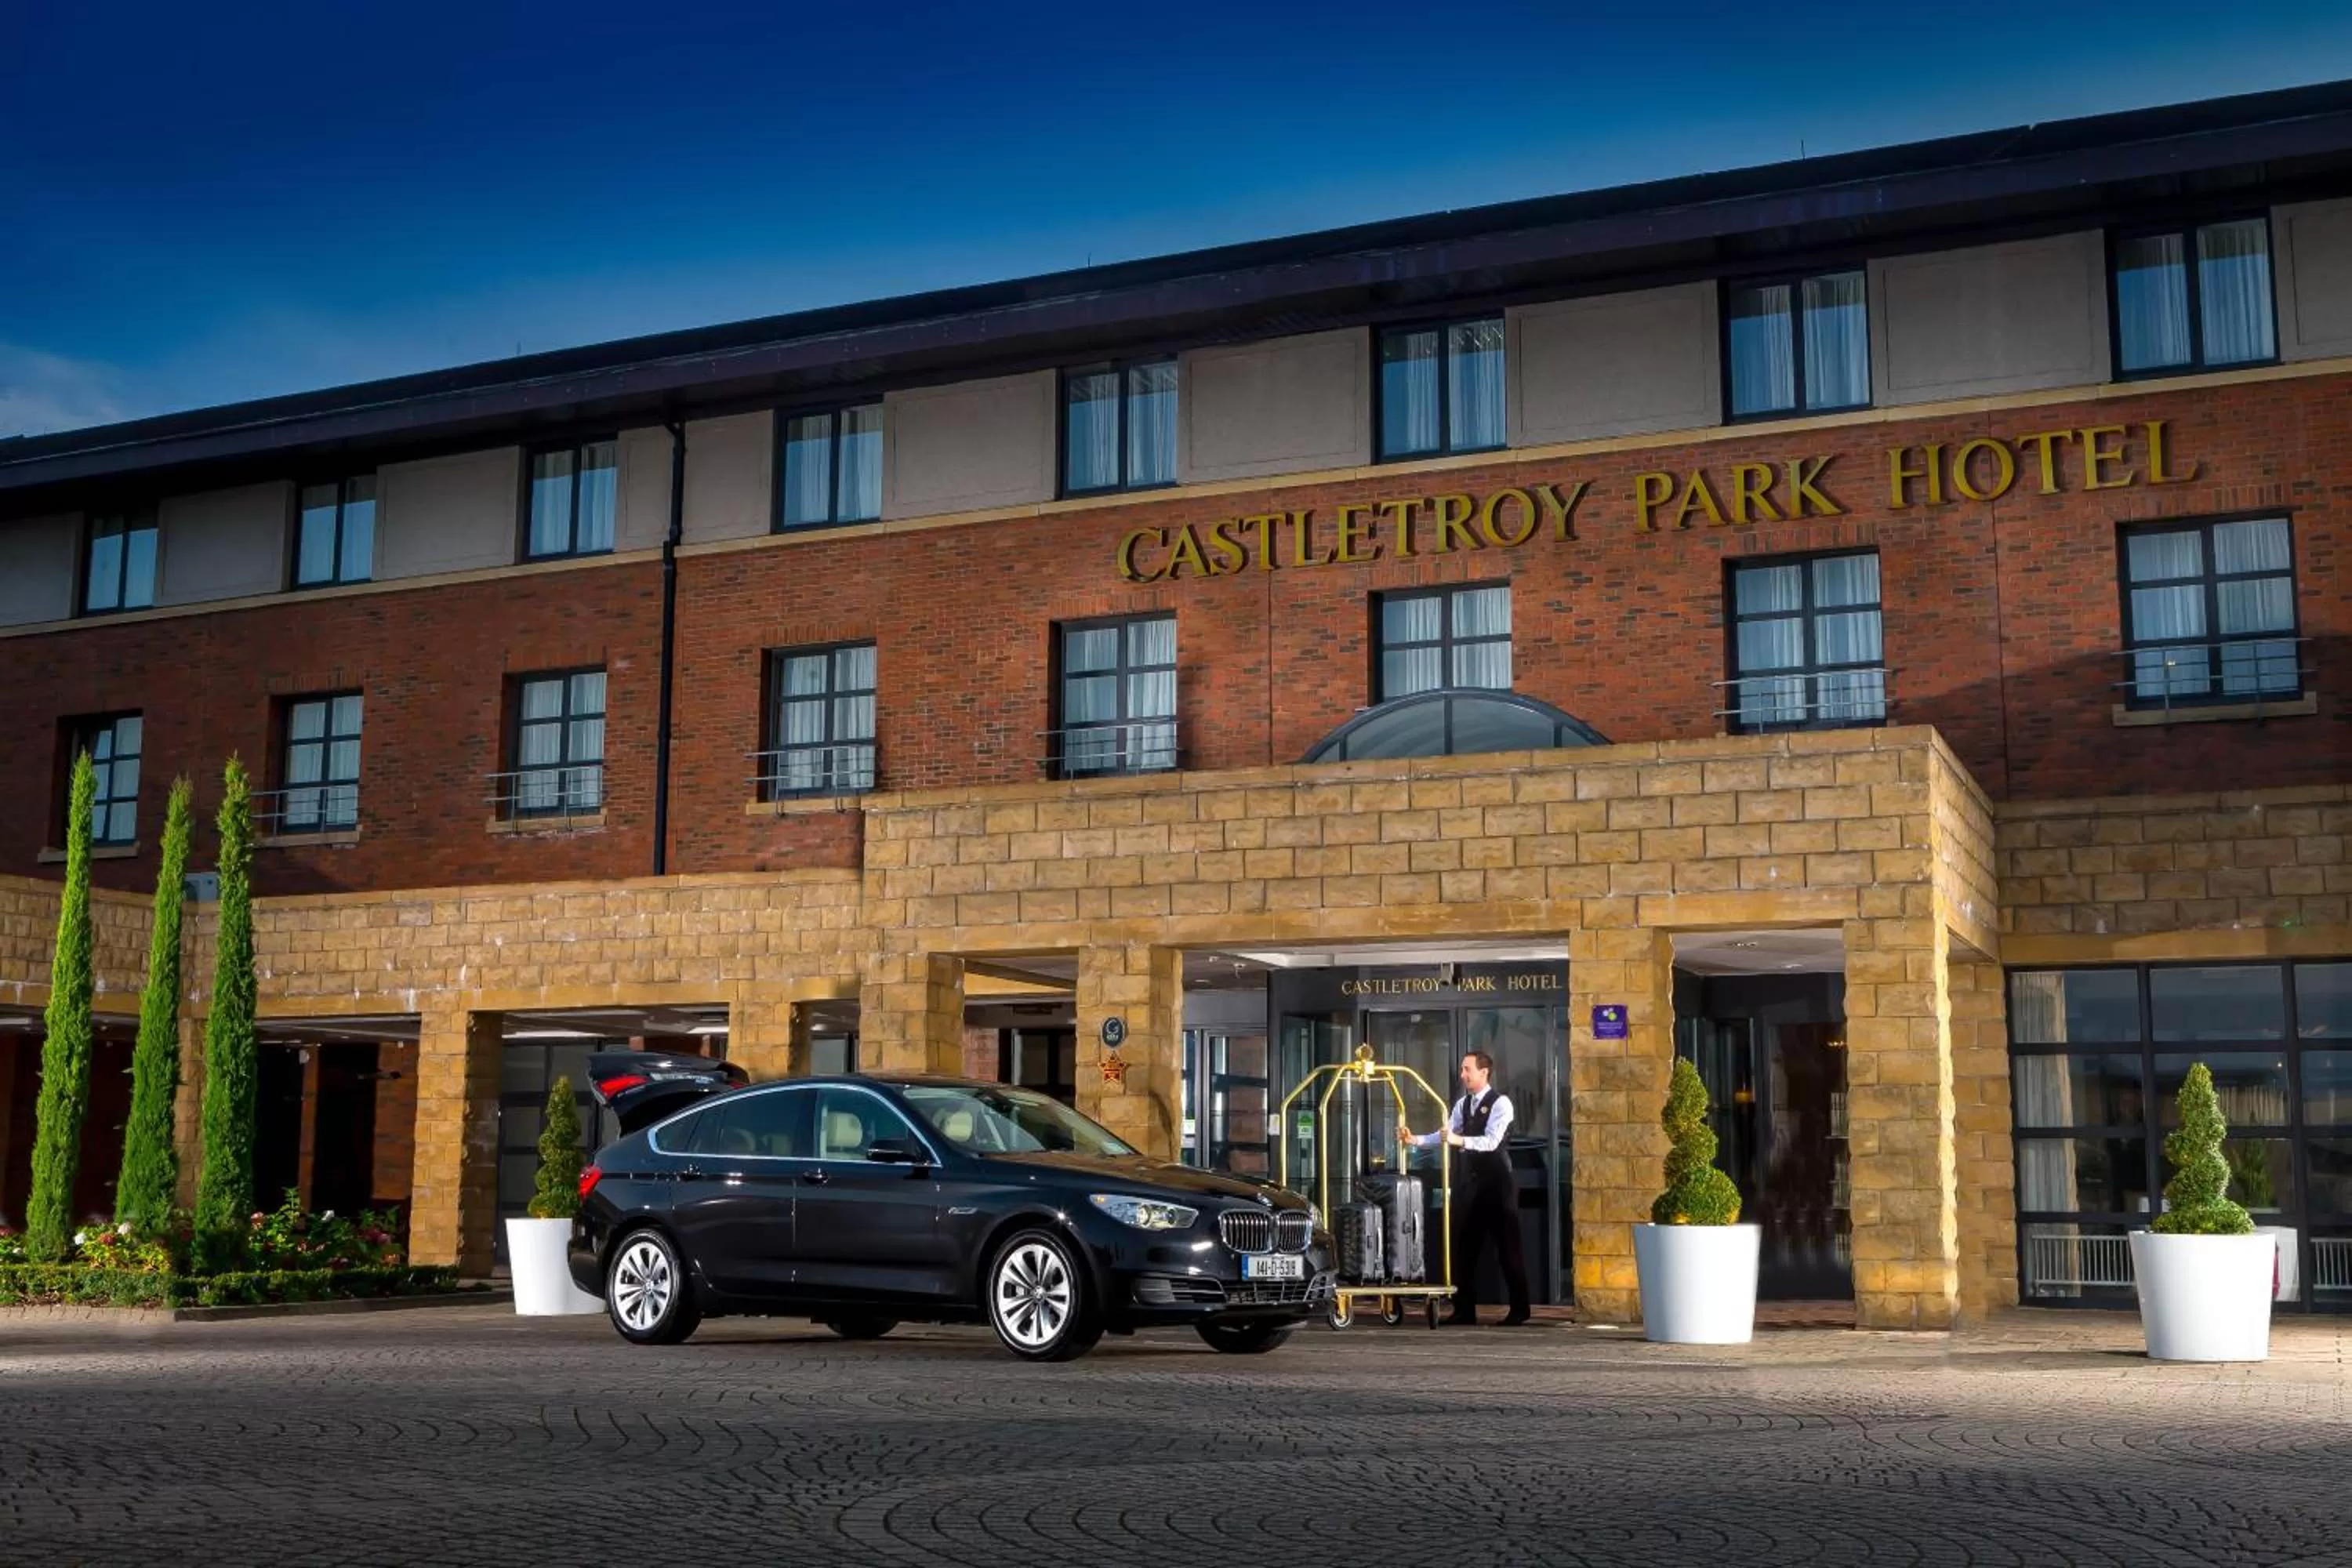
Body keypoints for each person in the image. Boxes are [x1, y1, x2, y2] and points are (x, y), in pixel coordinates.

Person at [1401, 1051, 1531, 1327]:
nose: (1462, 1075)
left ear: (1484, 1073)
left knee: (1509, 1249)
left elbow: (1492, 1141)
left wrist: (1460, 1141)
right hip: (1473, 1183)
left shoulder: (1501, 1104)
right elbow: (1446, 1134)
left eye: (1467, 1069)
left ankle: (1520, 1309)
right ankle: (1464, 1310)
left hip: (1499, 1184)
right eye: (1462, 1069)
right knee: (1463, 1246)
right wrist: (1417, 1140)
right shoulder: (1463, 1104)